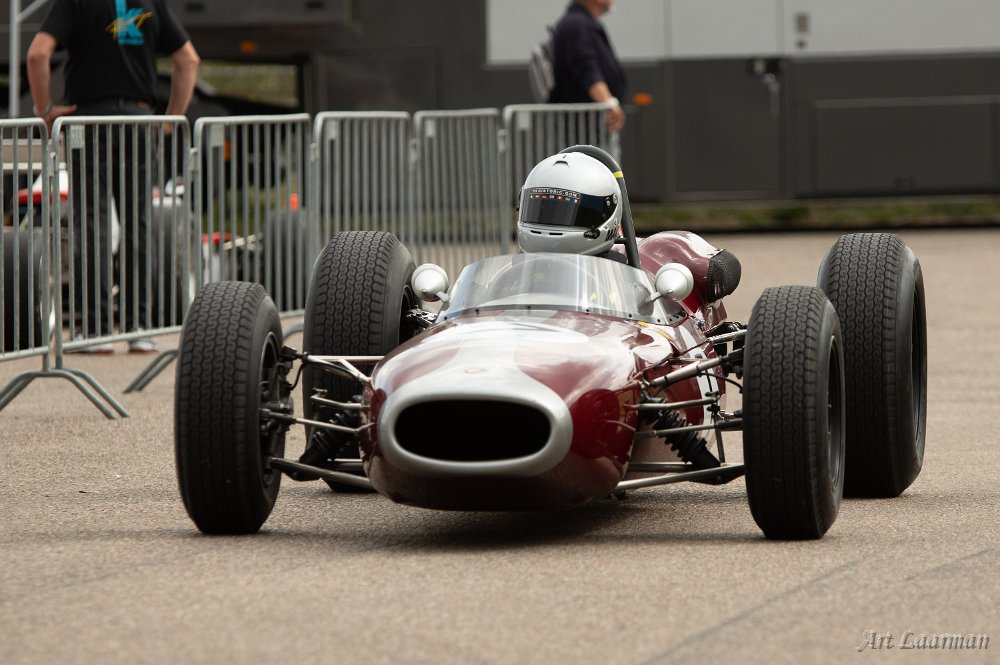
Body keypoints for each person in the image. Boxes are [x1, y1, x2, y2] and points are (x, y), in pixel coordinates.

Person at [26, 0, 199, 353]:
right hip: (138, 122)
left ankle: (95, 331)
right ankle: (138, 329)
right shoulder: (151, 3)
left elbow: (37, 54)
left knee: (92, 223)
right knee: (139, 224)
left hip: (88, 122)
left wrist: (44, 110)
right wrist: (171, 118)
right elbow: (188, 60)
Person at [516, 150, 625, 262]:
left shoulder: (617, 270)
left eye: (563, 212)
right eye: (541, 209)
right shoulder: (516, 268)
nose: (548, 223)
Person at [549, 0, 626, 134]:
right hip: (583, 131)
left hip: (587, 129)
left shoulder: (580, 23)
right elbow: (585, 68)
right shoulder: (577, 25)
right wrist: (608, 102)